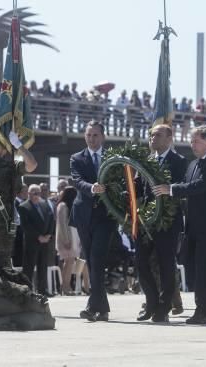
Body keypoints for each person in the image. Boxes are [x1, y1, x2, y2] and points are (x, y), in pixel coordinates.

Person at [153, 125, 206, 324]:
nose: (192, 145)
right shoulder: (193, 164)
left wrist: (171, 189)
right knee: (193, 268)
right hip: (192, 226)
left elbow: (199, 186)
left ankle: (203, 310)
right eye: (192, 141)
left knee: (204, 269)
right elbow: (187, 184)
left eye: (196, 141)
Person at [136, 124, 187, 323]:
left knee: (166, 265)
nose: (152, 138)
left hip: (168, 221)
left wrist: (170, 188)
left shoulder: (179, 161)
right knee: (141, 262)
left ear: (169, 138)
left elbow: (183, 186)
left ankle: (164, 307)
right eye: (151, 135)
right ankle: (151, 302)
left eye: (157, 135)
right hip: (147, 221)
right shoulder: (146, 162)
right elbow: (140, 189)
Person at [70, 120, 117, 322]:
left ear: (103, 137)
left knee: (97, 258)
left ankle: (92, 306)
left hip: (105, 216)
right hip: (84, 215)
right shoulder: (76, 158)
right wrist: (92, 187)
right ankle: (101, 308)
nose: (92, 139)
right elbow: (77, 180)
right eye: (88, 135)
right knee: (91, 260)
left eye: (95, 135)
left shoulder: (112, 158)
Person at [0, 133, 37, 269]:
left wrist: (18, 145)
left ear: (4, 150)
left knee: (3, 266)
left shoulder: (11, 167)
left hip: (2, 225)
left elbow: (32, 165)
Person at [18, 184, 55, 296]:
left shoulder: (45, 204)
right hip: (32, 242)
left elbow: (51, 220)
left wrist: (48, 235)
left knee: (42, 266)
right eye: (34, 193)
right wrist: (38, 236)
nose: (37, 195)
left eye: (38, 193)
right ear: (29, 194)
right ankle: (27, 290)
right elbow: (26, 226)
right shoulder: (23, 206)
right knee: (29, 267)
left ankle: (42, 290)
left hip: (45, 241)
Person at [55, 186, 82, 296]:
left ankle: (66, 285)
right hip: (65, 238)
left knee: (70, 263)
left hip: (73, 237)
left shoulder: (70, 206)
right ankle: (65, 286)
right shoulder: (62, 206)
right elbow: (62, 225)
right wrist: (66, 240)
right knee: (68, 262)